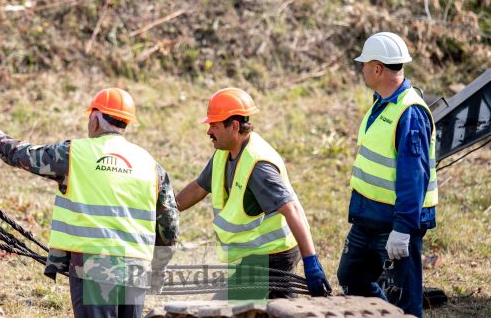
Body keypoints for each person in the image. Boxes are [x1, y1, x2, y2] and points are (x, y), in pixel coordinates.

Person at [0, 88, 179, 318]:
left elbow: (27, 156)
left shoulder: (75, 153)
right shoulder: (151, 165)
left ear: (94, 119)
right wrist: (158, 268)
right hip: (136, 269)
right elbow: (169, 226)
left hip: (93, 267)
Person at [176, 88, 331, 299]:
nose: (208, 131)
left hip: (273, 255)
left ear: (235, 126)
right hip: (254, 256)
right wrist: (167, 210)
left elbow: (292, 208)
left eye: (214, 125)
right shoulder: (223, 154)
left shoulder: (258, 165)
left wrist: (311, 262)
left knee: (226, 310)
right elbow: (198, 188)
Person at [336, 32, 438, 318]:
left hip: (395, 223)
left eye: (365, 64)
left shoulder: (409, 112)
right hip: (368, 217)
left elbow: (413, 178)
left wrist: (403, 229)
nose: (362, 69)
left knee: (404, 299)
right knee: (351, 277)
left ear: (378, 68)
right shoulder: (382, 102)